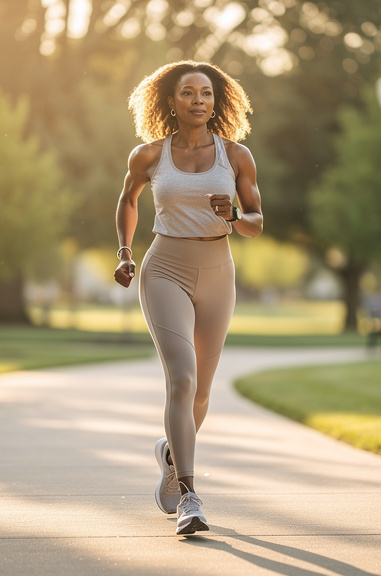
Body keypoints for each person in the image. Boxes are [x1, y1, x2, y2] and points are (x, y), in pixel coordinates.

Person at [113, 60, 263, 535]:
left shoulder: (237, 156)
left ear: (216, 102)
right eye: (188, 93)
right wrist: (124, 252)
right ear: (170, 101)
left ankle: (172, 457)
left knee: (201, 391)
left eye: (206, 93)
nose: (199, 101)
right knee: (182, 377)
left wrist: (236, 215)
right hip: (164, 270)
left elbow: (258, 222)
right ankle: (190, 497)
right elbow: (129, 199)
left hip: (218, 271)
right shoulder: (149, 155)